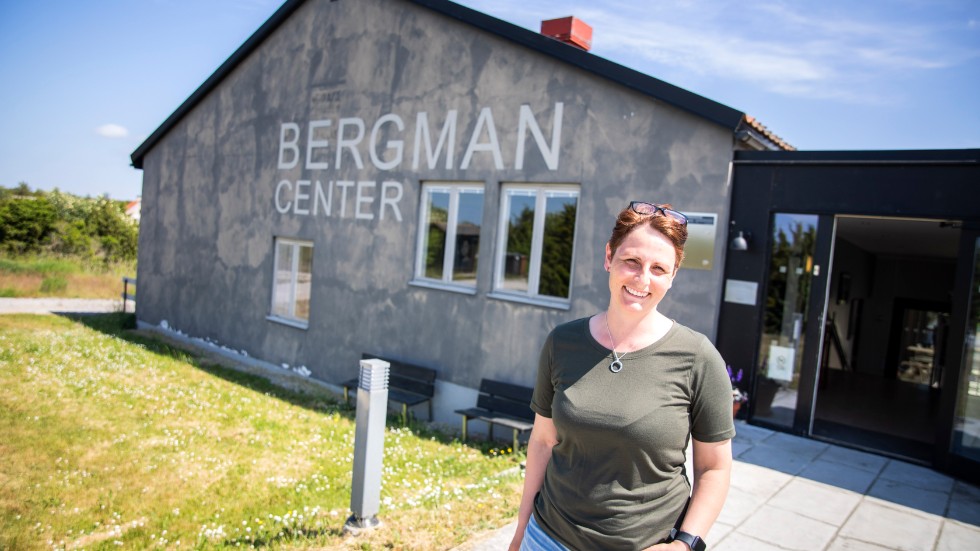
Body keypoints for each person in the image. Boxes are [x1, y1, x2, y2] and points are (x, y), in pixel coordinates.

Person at [509, 201, 735, 551]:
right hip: (546, 539)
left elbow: (715, 468)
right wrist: (522, 530)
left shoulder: (698, 357)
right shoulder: (563, 343)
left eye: (659, 268)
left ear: (673, 276)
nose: (642, 279)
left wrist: (684, 545)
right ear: (609, 257)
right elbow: (542, 442)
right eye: (631, 261)